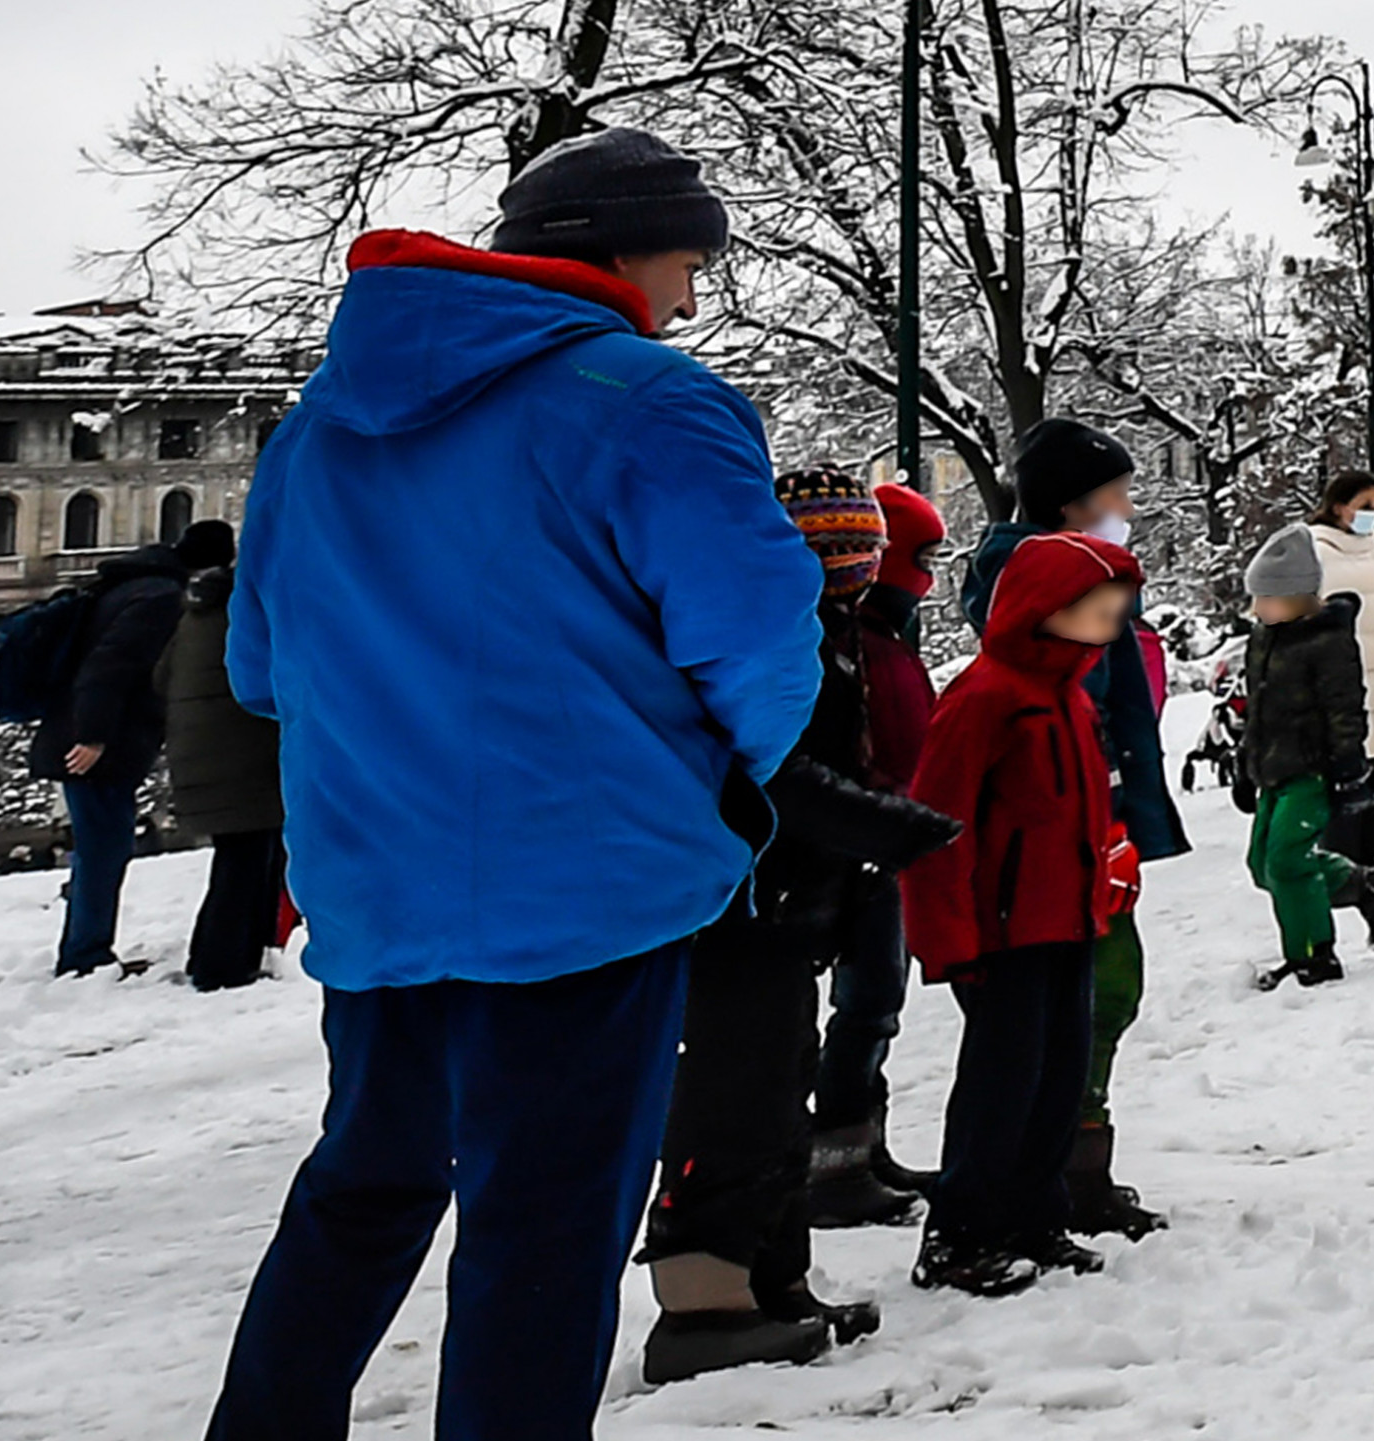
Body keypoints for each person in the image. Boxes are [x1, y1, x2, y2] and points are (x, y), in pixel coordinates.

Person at [205, 128, 825, 1441]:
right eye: (685, 259)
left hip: (377, 884)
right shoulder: (654, 399)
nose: (692, 294)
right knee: (542, 1226)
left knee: (363, 1189)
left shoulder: (315, 429)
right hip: (583, 883)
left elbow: (258, 667)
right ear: (614, 252)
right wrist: (707, 784)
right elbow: (763, 649)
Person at [639, 467, 960, 1386]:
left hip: (798, 903)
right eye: (837, 552)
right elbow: (773, 772)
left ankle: (776, 1284)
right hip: (743, 905)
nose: (856, 569)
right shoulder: (768, 638)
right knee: (735, 1101)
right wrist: (892, 831)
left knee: (781, 1095)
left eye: (865, 551)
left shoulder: (834, 631)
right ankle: (705, 1303)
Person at [959, 417, 1185, 1245]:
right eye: (1116, 495)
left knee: (1103, 993)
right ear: (1071, 503)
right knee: (1082, 1002)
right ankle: (1049, 1180)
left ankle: (1070, 1172)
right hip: (1064, 839)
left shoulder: (1089, 582)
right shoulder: (1040, 591)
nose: (1128, 507)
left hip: (1100, 820)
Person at [906, 532, 1144, 1298]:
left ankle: (1034, 1214)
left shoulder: (1068, 694)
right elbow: (937, 824)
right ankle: (960, 1230)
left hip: (1067, 921)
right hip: (1002, 933)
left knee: (1058, 1075)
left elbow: (1079, 808)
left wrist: (1107, 872)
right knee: (1000, 1084)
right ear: (1048, 610)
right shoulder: (985, 696)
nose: (1110, 625)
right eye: (1097, 610)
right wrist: (948, 938)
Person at [809, 480, 948, 1230]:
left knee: (876, 1008)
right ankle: (835, 1161)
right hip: (860, 849)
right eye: (923, 556)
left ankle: (863, 1144)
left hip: (881, 841)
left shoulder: (881, 639)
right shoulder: (854, 642)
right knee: (863, 1008)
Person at [1238, 525, 1374, 991]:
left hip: (1313, 770)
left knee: (1288, 861)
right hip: (1273, 768)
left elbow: (1345, 709)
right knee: (1262, 865)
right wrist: (1243, 764)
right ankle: (1365, 885)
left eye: (1266, 598)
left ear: (1298, 596)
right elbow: (1256, 708)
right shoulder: (1263, 638)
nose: (1256, 609)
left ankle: (1314, 955)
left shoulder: (1329, 640)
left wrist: (1351, 772)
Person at [27, 532, 193, 977]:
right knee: (105, 848)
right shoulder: (160, 598)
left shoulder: (125, 586)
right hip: (98, 745)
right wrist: (94, 736)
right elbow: (111, 665)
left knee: (101, 846)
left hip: (83, 733)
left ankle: (85, 948)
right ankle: (85, 955)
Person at [158, 519, 287, 992]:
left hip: (199, 753)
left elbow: (160, 678)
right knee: (248, 864)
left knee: (238, 860)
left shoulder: (195, 612)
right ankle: (225, 966)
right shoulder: (252, 611)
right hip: (245, 756)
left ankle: (214, 956)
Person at [1306, 472, 1374, 865]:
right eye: (1365, 506)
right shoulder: (1313, 552)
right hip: (1343, 681)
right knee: (1344, 774)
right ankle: (1341, 856)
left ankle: (1370, 855)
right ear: (1339, 507)